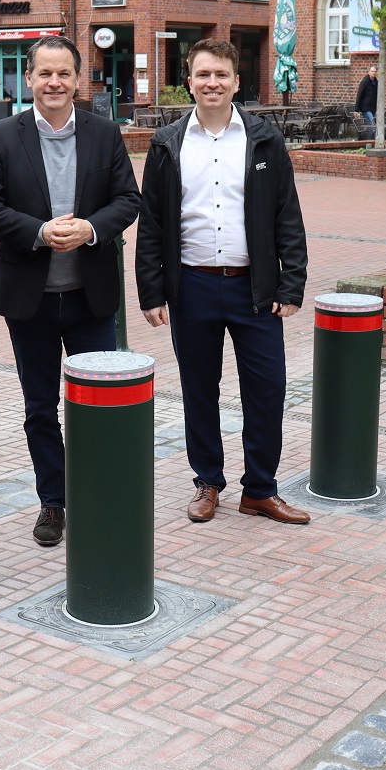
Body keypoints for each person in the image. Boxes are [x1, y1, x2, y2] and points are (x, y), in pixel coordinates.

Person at [0, 35, 142, 548]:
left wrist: (90, 228)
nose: (54, 83)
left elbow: (128, 199)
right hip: (31, 300)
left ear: (77, 79)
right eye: (44, 73)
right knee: (40, 408)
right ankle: (55, 500)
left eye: (63, 73)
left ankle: (98, 492)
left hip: (91, 299)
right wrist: (38, 232)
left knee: (97, 403)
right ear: (29, 79)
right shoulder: (2, 135)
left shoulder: (104, 132)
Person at [135, 38, 310, 526]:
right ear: (188, 81)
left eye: (222, 76)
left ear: (237, 82)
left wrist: (290, 284)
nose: (213, 83)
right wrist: (151, 290)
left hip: (254, 291)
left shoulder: (264, 140)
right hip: (190, 287)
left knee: (267, 388)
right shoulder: (166, 143)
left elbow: (286, 215)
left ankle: (260, 489)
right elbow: (151, 223)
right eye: (203, 75)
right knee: (199, 389)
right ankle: (207, 481)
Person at [355, 64, 378, 135]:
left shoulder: (376, 83)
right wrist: (356, 110)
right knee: (372, 123)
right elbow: (359, 95)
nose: (373, 73)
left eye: (375, 71)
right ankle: (374, 139)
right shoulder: (364, 82)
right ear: (369, 72)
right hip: (366, 107)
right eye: (372, 71)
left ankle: (370, 140)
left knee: (371, 125)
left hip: (373, 107)